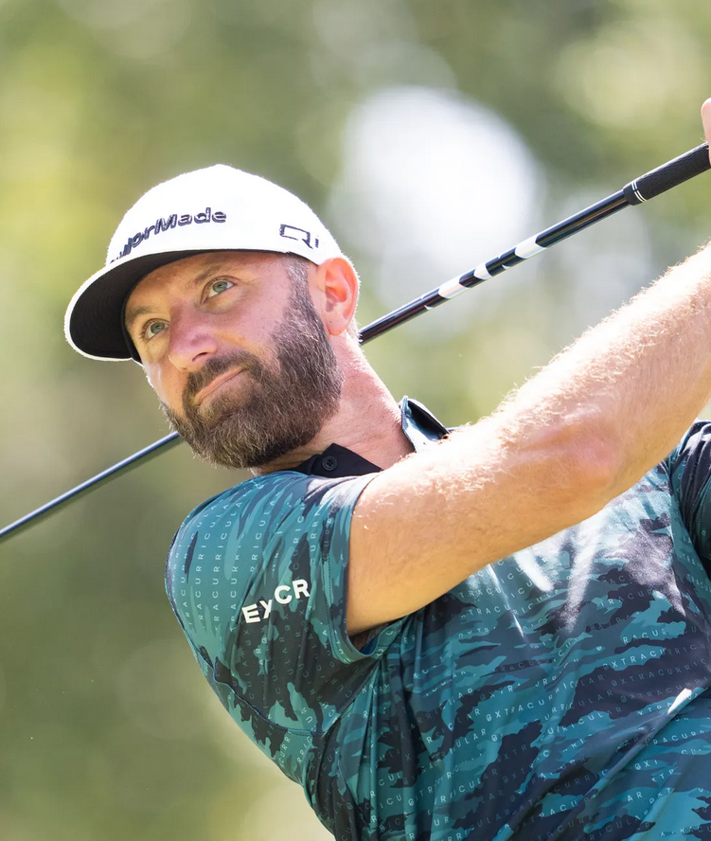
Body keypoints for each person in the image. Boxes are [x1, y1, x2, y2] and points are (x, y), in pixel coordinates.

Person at [64, 101, 711, 841]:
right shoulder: (226, 558)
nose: (186, 345)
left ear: (333, 294)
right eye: (152, 328)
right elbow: (569, 455)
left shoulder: (653, 471)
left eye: (217, 288)